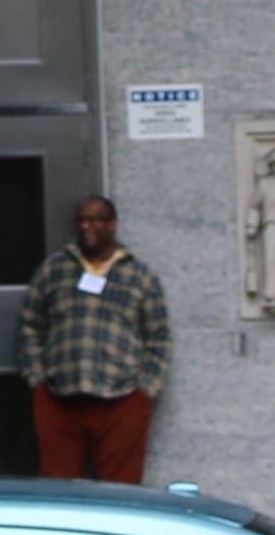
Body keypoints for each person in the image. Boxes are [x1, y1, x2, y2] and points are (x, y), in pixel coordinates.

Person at [16, 195, 171, 482]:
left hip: (121, 400)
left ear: (112, 225)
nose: (87, 226)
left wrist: (145, 389)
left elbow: (159, 337)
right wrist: (37, 379)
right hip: (59, 397)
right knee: (57, 492)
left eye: (96, 219)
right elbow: (30, 325)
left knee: (121, 493)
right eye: (82, 220)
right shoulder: (54, 270)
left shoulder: (139, 276)